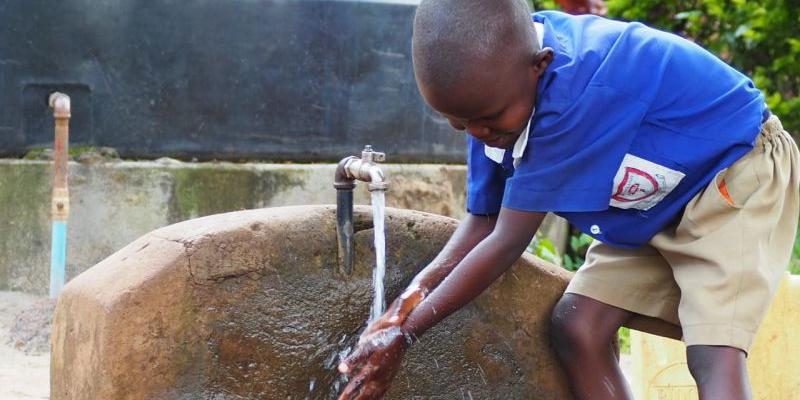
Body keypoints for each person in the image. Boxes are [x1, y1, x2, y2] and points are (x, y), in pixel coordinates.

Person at [337, 0, 800, 399]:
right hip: (654, 200)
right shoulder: (494, 91)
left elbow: (505, 241)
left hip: (734, 173)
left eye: (488, 120)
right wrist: (402, 307)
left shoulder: (573, 93)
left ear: (540, 64)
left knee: (713, 352)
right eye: (460, 125)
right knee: (578, 326)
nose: (479, 134)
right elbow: (482, 220)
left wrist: (407, 334)